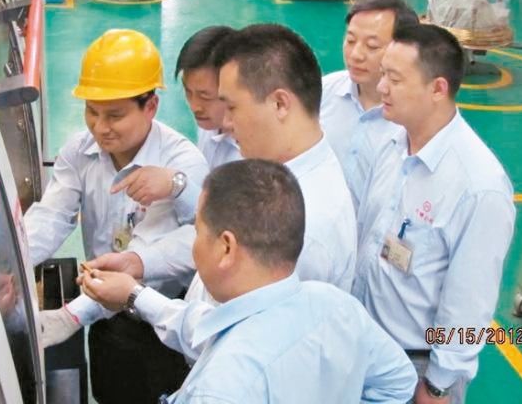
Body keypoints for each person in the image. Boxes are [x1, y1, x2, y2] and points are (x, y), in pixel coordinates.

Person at [84, 23, 358, 362]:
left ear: (280, 104)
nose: (225, 124)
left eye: (232, 107)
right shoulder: (277, 179)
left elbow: (232, 340)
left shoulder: (307, 226)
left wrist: (136, 297)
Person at [81, 159, 418, 404]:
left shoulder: (222, 386)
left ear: (226, 247)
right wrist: (135, 295)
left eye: (198, 232)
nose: (195, 245)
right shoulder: (336, 307)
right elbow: (398, 383)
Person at [26, 29, 209, 403]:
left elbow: (182, 242)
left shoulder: (180, 162)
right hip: (107, 318)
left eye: (115, 115)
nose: (100, 127)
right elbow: (53, 214)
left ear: (151, 107)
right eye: (92, 112)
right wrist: (9, 261)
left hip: (164, 321)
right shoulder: (80, 151)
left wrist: (71, 316)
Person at [353, 24, 515, 403]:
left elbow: (470, 306)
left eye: (394, 79)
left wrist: (439, 384)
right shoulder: (392, 141)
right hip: (364, 344)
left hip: (417, 369)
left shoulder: (479, 187)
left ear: (438, 89)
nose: (381, 88)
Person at [320, 0, 419, 210]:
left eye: (372, 46)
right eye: (351, 40)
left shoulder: (412, 121)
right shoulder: (322, 93)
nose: (355, 55)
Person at [176, 25, 241, 169]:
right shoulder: (209, 123)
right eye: (188, 92)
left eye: (205, 97)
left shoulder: (253, 152)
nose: (194, 107)